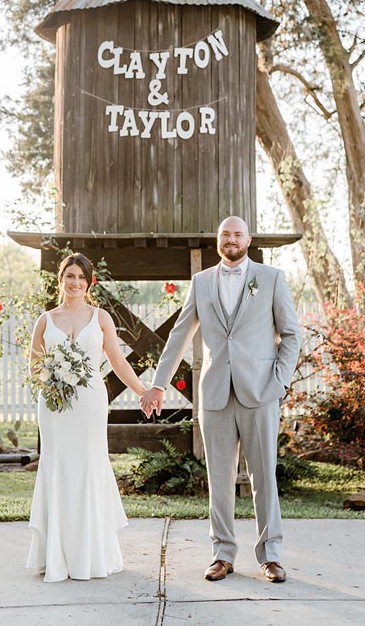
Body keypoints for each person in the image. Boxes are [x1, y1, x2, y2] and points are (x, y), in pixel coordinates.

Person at [141, 216, 302, 584]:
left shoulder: (271, 278)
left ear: (249, 239)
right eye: (225, 234)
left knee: (264, 477)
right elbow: (178, 336)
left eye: (237, 234)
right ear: (218, 240)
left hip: (260, 392)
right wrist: (158, 385)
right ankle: (222, 554)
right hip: (214, 393)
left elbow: (291, 334)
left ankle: (271, 555)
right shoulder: (201, 283)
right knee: (219, 479)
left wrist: (279, 381)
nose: (231, 239)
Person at [27, 252, 147, 582]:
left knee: (88, 466)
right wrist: (51, 381)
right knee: (59, 466)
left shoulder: (101, 318)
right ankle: (56, 555)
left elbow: (119, 363)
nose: (75, 282)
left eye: (81, 277)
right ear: (60, 279)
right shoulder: (45, 320)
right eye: (69, 276)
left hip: (90, 403)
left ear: (90, 282)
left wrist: (143, 391)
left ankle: (91, 554)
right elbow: (34, 366)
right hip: (53, 406)